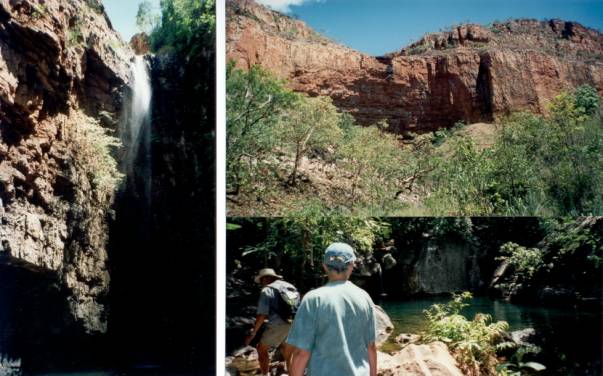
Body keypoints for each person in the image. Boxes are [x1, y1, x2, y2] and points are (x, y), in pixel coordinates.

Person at [287, 242, 377, 376]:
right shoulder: (364, 297)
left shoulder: (313, 299)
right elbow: (371, 348)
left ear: (324, 266)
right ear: (352, 265)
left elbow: (301, 353)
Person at [245, 268, 296, 376]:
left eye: (262, 281)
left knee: (261, 349)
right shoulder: (290, 287)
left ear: (266, 279)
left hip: (278, 325)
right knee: (286, 348)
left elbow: (261, 315)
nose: (262, 284)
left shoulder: (267, 290)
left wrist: (253, 333)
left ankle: (265, 374)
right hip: (295, 323)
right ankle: (291, 372)